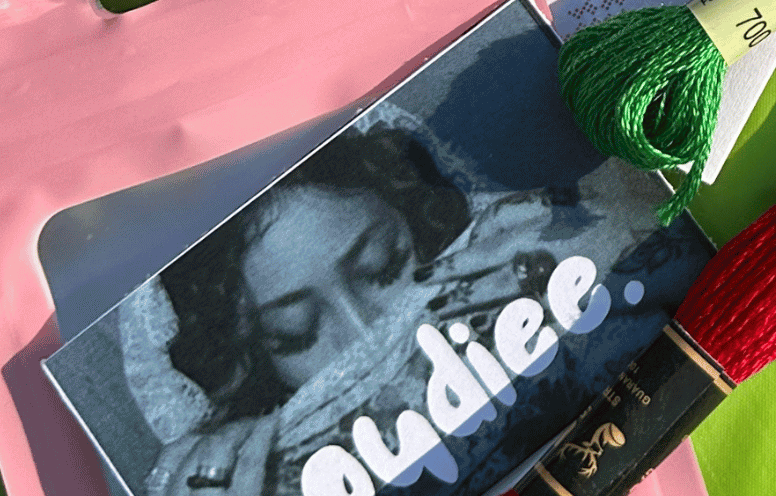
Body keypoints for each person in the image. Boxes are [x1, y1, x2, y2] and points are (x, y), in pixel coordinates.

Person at [133, 124, 698, 496]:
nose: (365, 330)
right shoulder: (262, 470)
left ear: (421, 222)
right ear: (254, 365)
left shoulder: (536, 253)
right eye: (296, 333)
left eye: (383, 267)